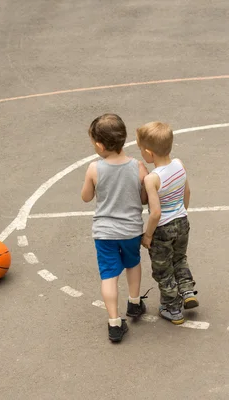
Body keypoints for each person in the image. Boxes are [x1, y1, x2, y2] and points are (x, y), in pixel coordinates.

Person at [81, 113, 149, 343]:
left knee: (109, 276)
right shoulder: (138, 167)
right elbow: (144, 197)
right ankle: (135, 302)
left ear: (99, 145)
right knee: (133, 264)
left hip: (105, 234)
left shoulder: (94, 169)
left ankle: (114, 323)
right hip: (131, 231)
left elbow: (86, 197)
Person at [136, 121, 198, 325]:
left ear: (148, 152)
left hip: (163, 228)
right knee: (179, 259)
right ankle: (187, 290)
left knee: (163, 269)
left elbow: (155, 212)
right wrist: (182, 213)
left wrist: (148, 235)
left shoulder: (152, 178)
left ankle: (172, 308)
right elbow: (187, 192)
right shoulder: (179, 164)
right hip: (182, 221)